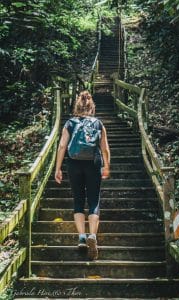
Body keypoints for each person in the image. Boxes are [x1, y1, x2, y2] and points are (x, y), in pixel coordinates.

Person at [55, 90, 110, 260]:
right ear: (92, 107)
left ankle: (81, 237)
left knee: (78, 199)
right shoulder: (98, 123)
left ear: (77, 106)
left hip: (74, 163)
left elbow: (62, 146)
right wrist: (106, 166)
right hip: (93, 163)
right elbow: (105, 148)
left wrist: (58, 168)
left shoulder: (70, 123)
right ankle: (92, 235)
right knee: (94, 200)